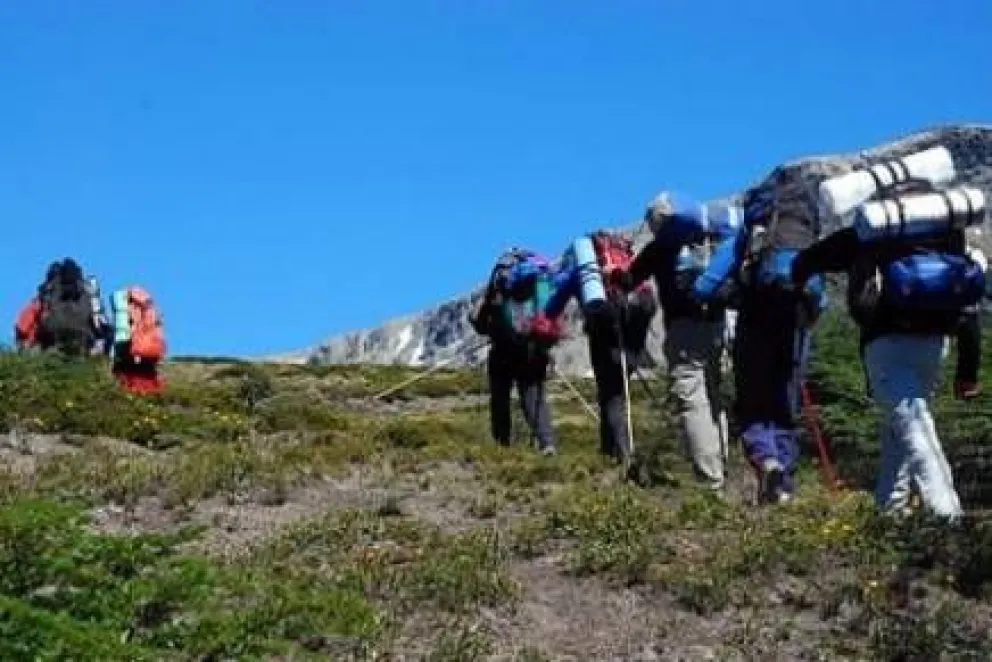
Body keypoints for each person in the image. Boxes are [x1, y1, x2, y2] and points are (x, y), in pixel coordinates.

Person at [790, 186, 986, 520]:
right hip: (935, 344)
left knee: (914, 426)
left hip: (887, 344)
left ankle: (947, 514)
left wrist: (796, 287)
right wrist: (967, 372)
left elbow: (807, 260)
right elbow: (968, 305)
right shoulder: (949, 233)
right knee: (901, 425)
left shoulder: (872, 232)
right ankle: (889, 509)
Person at [690, 167, 828, 504]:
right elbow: (821, 298)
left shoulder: (750, 233)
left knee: (753, 405)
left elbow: (704, 287)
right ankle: (783, 487)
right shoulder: (808, 234)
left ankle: (768, 463)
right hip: (796, 325)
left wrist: (726, 294)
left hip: (756, 321)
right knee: (784, 407)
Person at [611, 192, 739, 493]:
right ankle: (722, 466)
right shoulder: (712, 236)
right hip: (717, 325)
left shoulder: (660, 248)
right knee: (713, 394)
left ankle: (710, 482)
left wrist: (613, 274)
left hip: (683, 330)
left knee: (693, 399)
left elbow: (629, 280)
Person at [544, 230, 657, 470]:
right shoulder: (626, 260)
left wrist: (544, 327)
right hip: (634, 327)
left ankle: (621, 455)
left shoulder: (584, 271)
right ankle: (610, 451)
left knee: (611, 393)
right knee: (617, 389)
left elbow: (554, 306)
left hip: (603, 327)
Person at [469, 248, 561, 455]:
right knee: (534, 397)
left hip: (503, 349)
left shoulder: (499, 283)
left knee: (500, 397)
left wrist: (490, 328)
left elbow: (481, 321)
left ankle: (502, 446)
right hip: (534, 349)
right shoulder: (541, 283)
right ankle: (547, 443)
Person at [14, 258, 107, 357]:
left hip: (51, 342)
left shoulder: (46, 294)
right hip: (82, 343)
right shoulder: (87, 294)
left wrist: (25, 343)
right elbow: (101, 326)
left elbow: (22, 327)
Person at [109, 286, 167, 395]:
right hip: (148, 355)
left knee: (128, 377)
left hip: (133, 350)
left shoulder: (131, 306)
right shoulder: (150, 308)